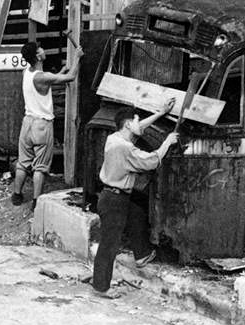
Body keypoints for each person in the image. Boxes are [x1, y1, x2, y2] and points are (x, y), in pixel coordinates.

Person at [92, 101, 179, 298]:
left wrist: (160, 113)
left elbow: (139, 128)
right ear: (128, 124)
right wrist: (167, 141)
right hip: (114, 200)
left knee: (137, 213)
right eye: (137, 120)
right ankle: (101, 287)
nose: (140, 124)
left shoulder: (114, 138)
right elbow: (151, 161)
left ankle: (142, 255)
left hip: (114, 195)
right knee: (109, 244)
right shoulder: (125, 148)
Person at [10, 40, 83, 207]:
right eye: (40, 49)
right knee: (40, 167)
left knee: (23, 162)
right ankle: (36, 201)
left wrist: (63, 70)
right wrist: (78, 57)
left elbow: (49, 80)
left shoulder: (26, 72)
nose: (43, 50)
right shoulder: (43, 77)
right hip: (41, 125)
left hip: (27, 123)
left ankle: (17, 195)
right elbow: (71, 78)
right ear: (37, 55)